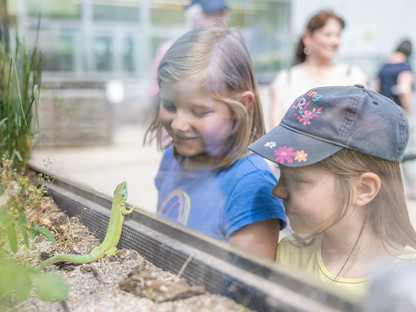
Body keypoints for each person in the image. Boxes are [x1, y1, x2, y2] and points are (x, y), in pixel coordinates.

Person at [248, 84, 416, 296]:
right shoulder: (287, 256)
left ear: (363, 189)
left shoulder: (408, 283)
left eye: (298, 180)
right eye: (281, 172)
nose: (278, 191)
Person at [144, 27, 286, 259]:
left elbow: (248, 286)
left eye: (199, 111)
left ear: (241, 106)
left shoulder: (250, 185)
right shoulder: (172, 156)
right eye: (170, 105)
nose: (179, 124)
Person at [269, 10, 367, 128]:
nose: (334, 41)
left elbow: (363, 122)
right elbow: (274, 128)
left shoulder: (352, 76)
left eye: (338, 35)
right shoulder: (286, 79)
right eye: (328, 34)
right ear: (307, 37)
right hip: (290, 146)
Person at [149, 0, 229, 101]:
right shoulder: (170, 50)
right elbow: (156, 94)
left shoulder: (228, 53)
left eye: (221, 14)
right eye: (210, 14)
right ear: (193, 18)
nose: (218, 20)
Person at [377, 39, 416, 199]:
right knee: (409, 151)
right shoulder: (405, 67)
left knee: (388, 150)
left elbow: (377, 90)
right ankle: (413, 188)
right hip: (401, 114)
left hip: (385, 113)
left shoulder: (384, 67)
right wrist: (410, 112)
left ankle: (389, 187)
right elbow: (403, 89)